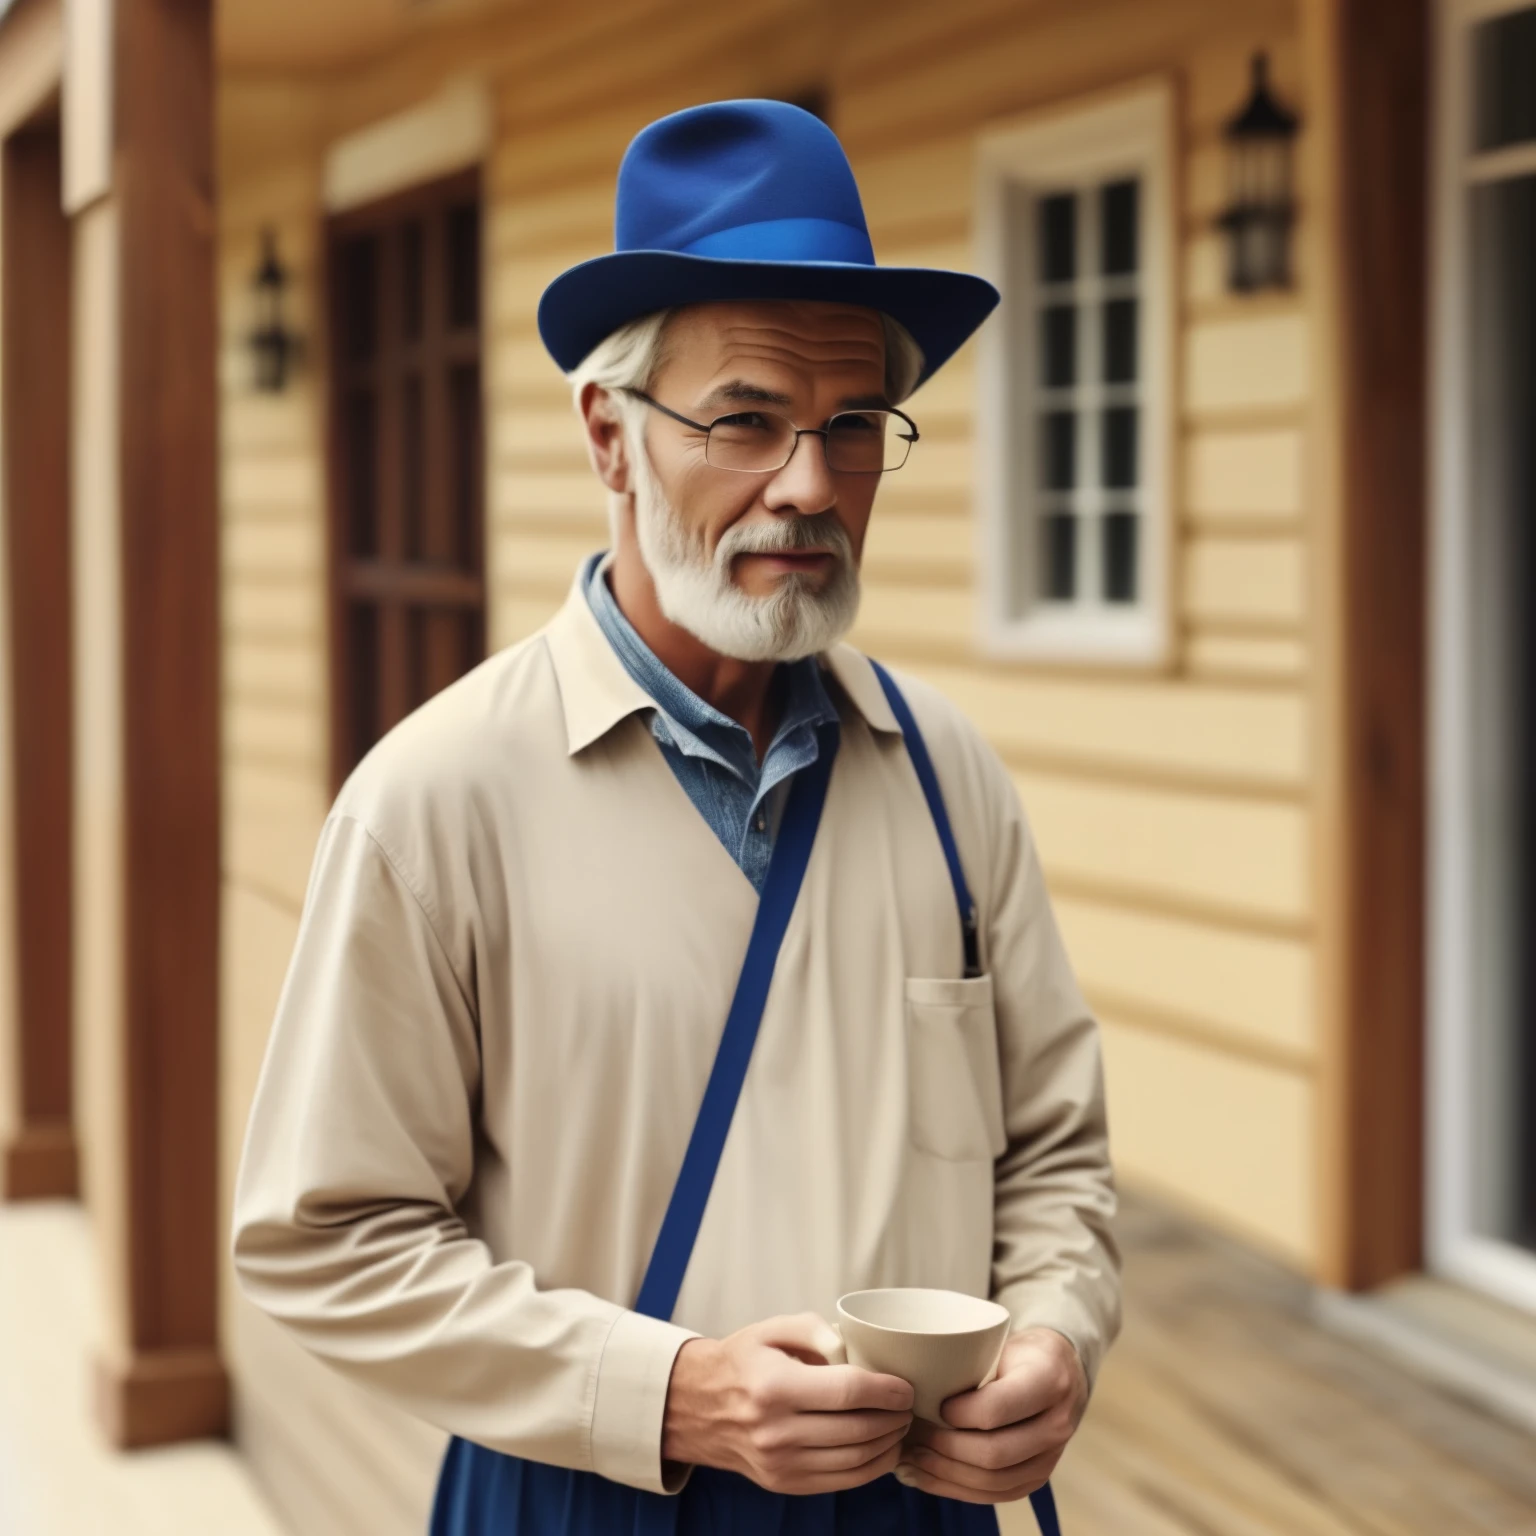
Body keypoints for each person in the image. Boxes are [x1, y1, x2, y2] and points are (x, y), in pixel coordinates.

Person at [232, 99, 1120, 1536]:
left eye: (852, 429)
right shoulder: (437, 796)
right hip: (587, 1496)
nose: (809, 486)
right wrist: (662, 1391)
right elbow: (322, 1241)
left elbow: (1057, 1159)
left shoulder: (951, 776)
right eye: (746, 421)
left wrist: (1055, 1337)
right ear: (610, 437)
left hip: (917, 1509)